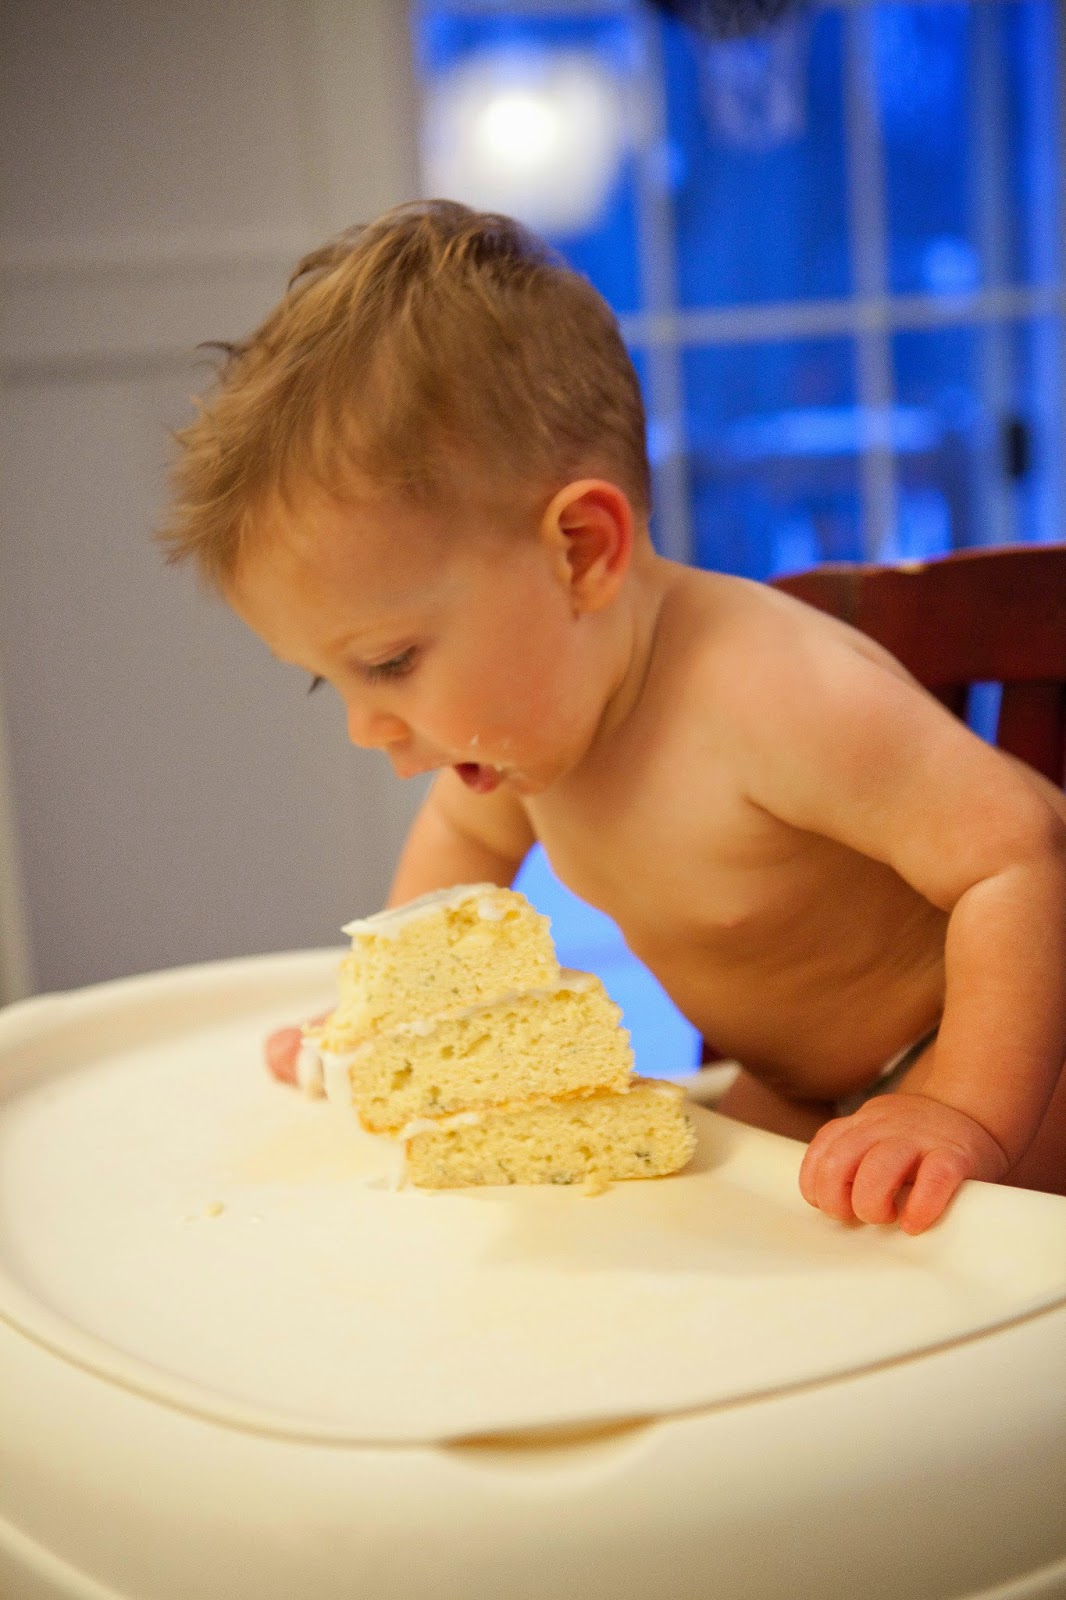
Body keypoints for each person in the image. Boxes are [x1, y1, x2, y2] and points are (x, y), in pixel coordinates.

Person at [160, 199, 1066, 1234]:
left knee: (943, 1279)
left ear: (581, 551)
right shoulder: (526, 752)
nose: (369, 726)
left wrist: (961, 1111)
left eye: (392, 662)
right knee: (695, 1249)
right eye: (338, 682)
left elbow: (1017, 853)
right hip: (798, 1083)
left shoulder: (768, 692)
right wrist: (389, 1016)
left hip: (1001, 1049)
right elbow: (462, 849)